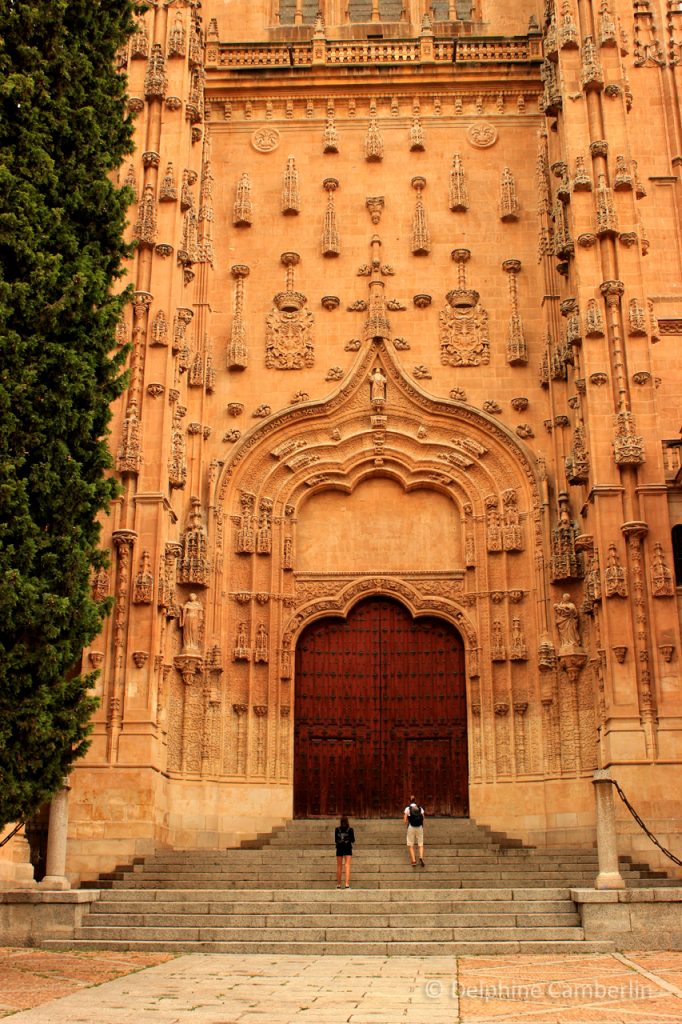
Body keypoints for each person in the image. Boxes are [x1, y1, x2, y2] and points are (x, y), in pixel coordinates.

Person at [334, 815, 355, 889]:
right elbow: (353, 840)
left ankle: (338, 885)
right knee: (347, 865)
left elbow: (336, 840)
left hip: (339, 847)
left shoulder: (337, 829)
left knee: (339, 866)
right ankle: (347, 884)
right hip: (347, 847)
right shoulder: (350, 829)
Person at [404, 796, 425, 867]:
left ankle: (413, 861)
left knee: (411, 845)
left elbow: (404, 820)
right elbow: (423, 818)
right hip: (419, 827)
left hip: (411, 827)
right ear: (415, 800)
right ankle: (421, 857)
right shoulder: (420, 808)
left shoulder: (407, 809)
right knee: (421, 844)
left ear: (409, 801)